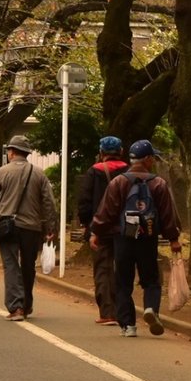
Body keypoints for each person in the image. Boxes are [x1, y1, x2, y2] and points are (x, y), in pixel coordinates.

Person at [90, 139, 182, 338]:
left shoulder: (119, 182)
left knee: (123, 282)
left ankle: (128, 325)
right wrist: (173, 238)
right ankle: (150, 309)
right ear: (147, 159)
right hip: (148, 238)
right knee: (151, 280)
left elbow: (106, 211)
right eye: (153, 158)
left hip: (122, 238)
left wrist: (96, 232)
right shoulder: (158, 183)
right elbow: (167, 215)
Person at [0, 134, 57, 321]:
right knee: (28, 266)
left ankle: (16, 307)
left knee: (11, 265)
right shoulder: (39, 174)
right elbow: (49, 203)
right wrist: (51, 226)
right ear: (27, 153)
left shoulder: (1, 172)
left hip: (8, 224)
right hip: (32, 227)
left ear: (12, 152)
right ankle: (26, 304)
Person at [76, 135, 129, 324]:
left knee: (103, 269)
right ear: (121, 151)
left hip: (100, 227)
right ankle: (124, 311)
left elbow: (85, 201)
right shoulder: (128, 172)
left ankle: (107, 312)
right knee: (123, 269)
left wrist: (86, 224)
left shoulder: (94, 171)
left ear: (101, 152)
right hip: (125, 228)